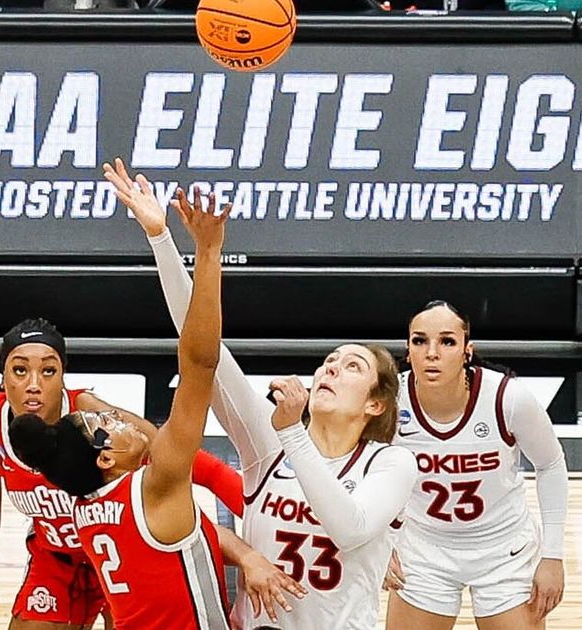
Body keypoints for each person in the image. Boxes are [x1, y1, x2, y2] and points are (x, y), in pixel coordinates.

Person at [103, 158, 418, 630]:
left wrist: (293, 432)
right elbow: (202, 351)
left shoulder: (390, 464)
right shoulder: (267, 447)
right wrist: (163, 240)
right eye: (329, 361)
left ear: (375, 404)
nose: (332, 367)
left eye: (352, 367)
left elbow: (348, 530)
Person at [9, 193, 239, 629]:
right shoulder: (157, 486)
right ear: (105, 456)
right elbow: (200, 366)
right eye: (107, 424)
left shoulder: (84, 509)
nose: (120, 420)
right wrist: (208, 254)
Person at [0, 318, 244, 630]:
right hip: (55, 561)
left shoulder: (95, 420)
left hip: (119, 558)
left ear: (63, 378)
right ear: (3, 378)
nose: (34, 384)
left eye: (48, 371)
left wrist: (260, 506)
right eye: (20, 370)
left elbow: (186, 460)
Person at [383, 300, 569, 630]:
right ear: (407, 349)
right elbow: (361, 470)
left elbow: (551, 465)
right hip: (424, 549)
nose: (432, 353)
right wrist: (379, 544)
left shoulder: (507, 398)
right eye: (420, 340)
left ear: (468, 351)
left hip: (503, 550)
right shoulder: (391, 401)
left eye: (447, 341)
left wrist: (552, 555)